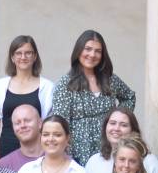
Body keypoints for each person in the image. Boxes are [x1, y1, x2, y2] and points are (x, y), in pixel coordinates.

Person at [50, 29, 137, 166]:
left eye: (98, 51)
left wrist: (117, 120)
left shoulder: (110, 80)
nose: (92, 54)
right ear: (79, 50)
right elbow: (61, 125)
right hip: (79, 154)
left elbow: (129, 97)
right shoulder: (65, 85)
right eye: (88, 49)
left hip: (111, 148)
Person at [0, 35, 54, 157]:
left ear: (35, 56)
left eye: (28, 53)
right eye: (18, 53)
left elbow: (48, 125)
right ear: (12, 58)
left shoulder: (48, 87)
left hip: (38, 151)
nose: (23, 57)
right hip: (6, 150)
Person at [81, 107, 158, 173]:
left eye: (123, 125)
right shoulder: (94, 161)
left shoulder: (150, 163)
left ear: (133, 130)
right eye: (112, 123)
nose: (116, 128)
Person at [0, 103, 43, 172]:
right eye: (17, 123)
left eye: (27, 121)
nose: (22, 125)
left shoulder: (57, 157)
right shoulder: (4, 165)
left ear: (40, 123)